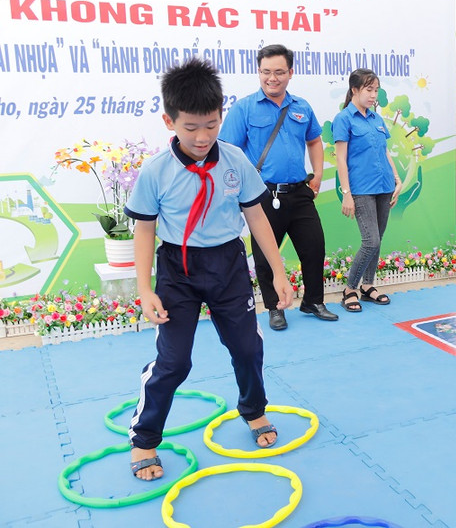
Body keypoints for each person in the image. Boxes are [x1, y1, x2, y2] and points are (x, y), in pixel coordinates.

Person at [125, 59, 293, 480]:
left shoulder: (235, 160)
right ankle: (144, 439)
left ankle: (254, 411)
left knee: (247, 348)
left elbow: (256, 218)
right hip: (177, 271)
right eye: (191, 128)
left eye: (212, 125)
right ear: (170, 121)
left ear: (222, 114)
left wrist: (278, 271)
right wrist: (145, 288)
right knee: (174, 361)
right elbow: (144, 230)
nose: (202, 137)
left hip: (227, 265)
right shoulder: (156, 172)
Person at [220, 44, 337, 329]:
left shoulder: (301, 107)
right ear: (259, 72)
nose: (272, 78)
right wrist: (238, 191)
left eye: (279, 72)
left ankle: (313, 301)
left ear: (290, 73)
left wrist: (317, 175)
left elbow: (314, 141)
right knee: (263, 255)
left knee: (314, 247)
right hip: (262, 195)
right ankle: (275, 307)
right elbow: (226, 152)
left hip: (299, 192)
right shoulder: (244, 108)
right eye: (266, 72)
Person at [333, 68, 402, 313]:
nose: (374, 95)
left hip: (384, 186)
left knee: (378, 239)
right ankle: (350, 289)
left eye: (376, 90)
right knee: (370, 241)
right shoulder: (344, 119)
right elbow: (341, 159)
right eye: (369, 90)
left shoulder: (376, 119)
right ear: (354, 90)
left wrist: (396, 178)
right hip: (361, 189)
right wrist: (347, 193)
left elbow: (384, 152)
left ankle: (368, 285)